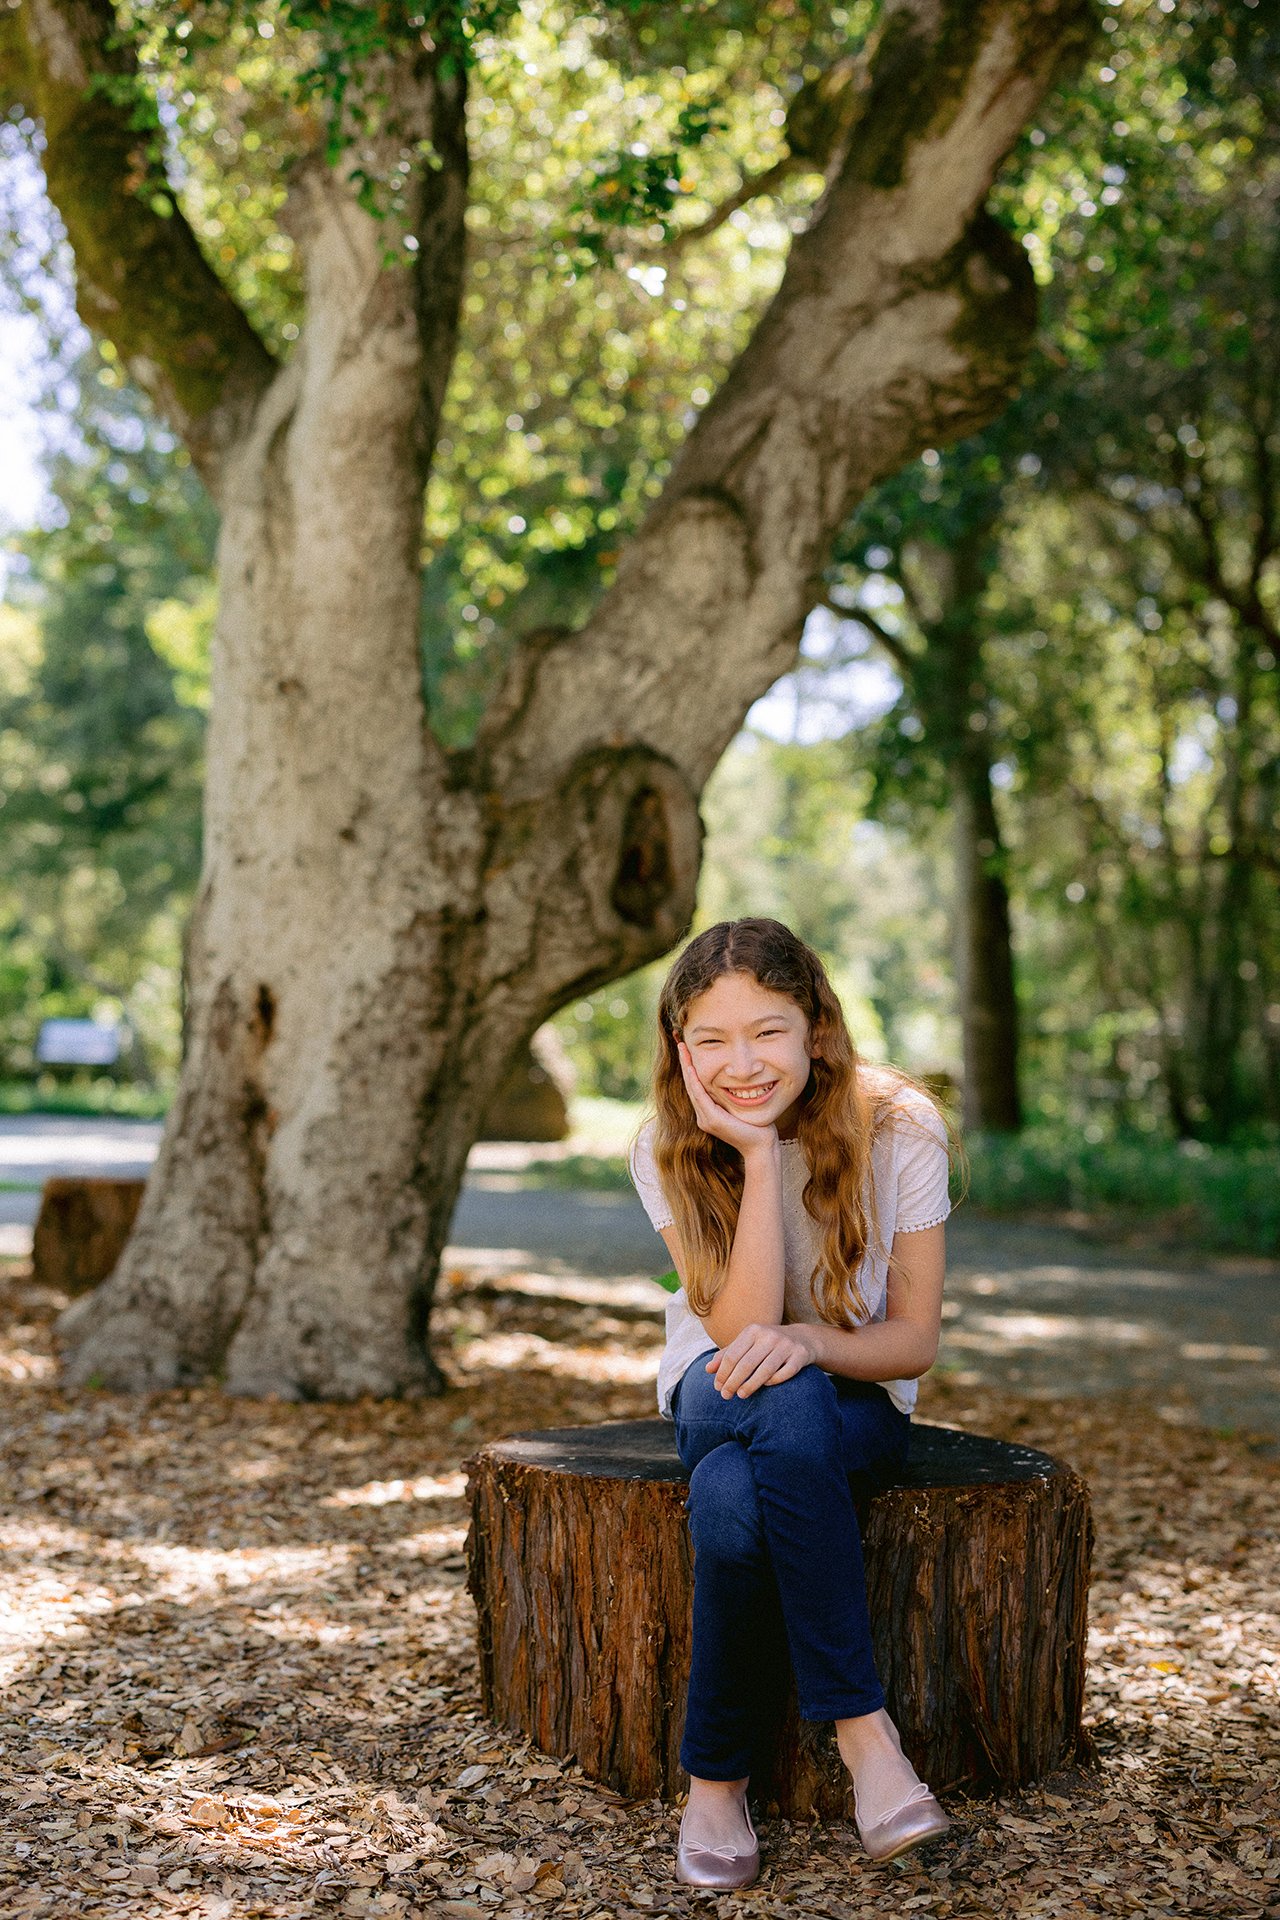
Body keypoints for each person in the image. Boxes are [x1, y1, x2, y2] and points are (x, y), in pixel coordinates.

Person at [628, 917, 954, 1890]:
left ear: (815, 1028)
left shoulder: (897, 1125)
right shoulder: (667, 1144)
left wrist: (812, 1341)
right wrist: (759, 1158)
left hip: (854, 1398)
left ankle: (714, 1780)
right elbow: (736, 1335)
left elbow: (914, 1341)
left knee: (732, 1506)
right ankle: (864, 1735)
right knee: (776, 1393)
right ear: (679, 1048)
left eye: (765, 1031)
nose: (740, 1064)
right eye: (711, 1039)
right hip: (714, 1390)